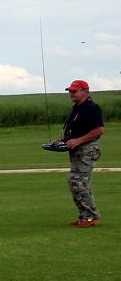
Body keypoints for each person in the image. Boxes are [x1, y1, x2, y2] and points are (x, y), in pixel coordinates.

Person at [61, 80, 104, 227]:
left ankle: (90, 216)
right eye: (70, 91)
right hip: (77, 150)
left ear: (84, 91)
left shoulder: (92, 108)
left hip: (87, 149)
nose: (71, 94)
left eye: (74, 91)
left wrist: (78, 141)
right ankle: (85, 216)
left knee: (78, 181)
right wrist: (63, 140)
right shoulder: (77, 109)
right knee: (78, 182)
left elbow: (99, 130)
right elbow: (76, 129)